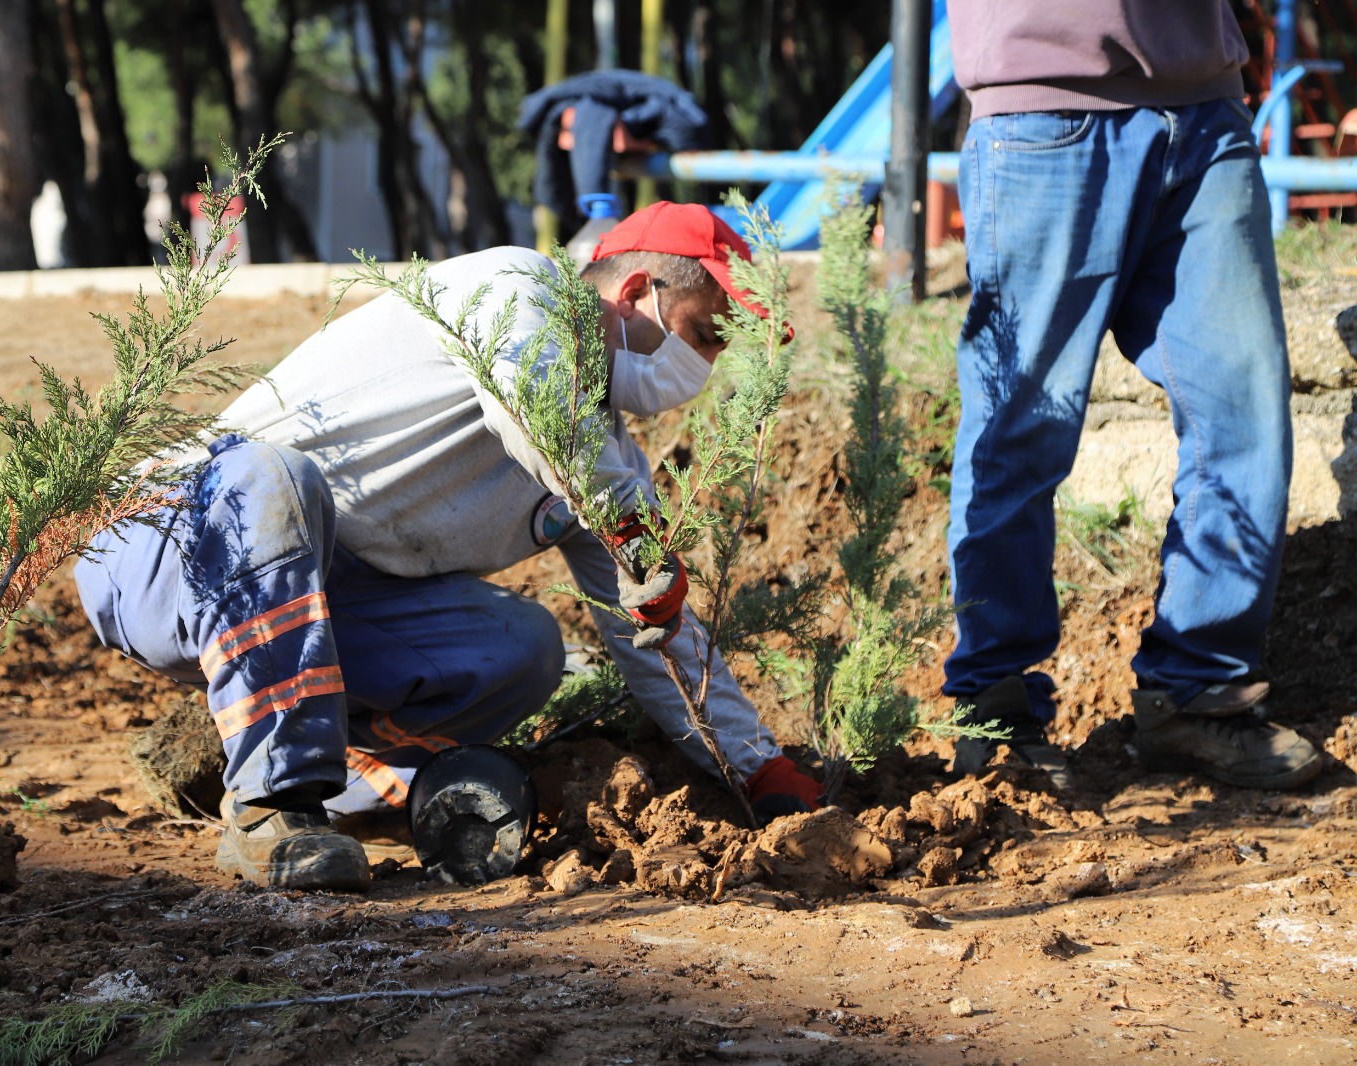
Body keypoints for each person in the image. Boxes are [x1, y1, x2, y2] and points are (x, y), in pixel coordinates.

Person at [74, 202, 824, 892]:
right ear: (635, 293)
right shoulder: (518, 288)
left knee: (525, 647)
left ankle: (347, 784)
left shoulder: (609, 462)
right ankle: (273, 809)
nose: (706, 366)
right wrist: (631, 536)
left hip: (314, 602)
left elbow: (659, 639)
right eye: (704, 335)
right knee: (274, 477)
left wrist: (759, 770)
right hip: (162, 547)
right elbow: (534, 406)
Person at [942, 2, 1321, 791]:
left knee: (1242, 410)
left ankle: (1198, 694)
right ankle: (997, 709)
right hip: (1044, 101)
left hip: (1204, 103)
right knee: (1020, 425)